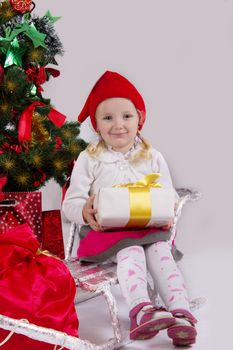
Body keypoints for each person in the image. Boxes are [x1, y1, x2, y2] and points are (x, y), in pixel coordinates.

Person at [62, 71, 197, 345]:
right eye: (107, 118)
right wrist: (84, 211)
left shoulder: (152, 156)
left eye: (127, 116)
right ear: (96, 124)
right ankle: (141, 311)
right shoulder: (91, 158)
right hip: (108, 235)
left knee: (161, 252)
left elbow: (167, 194)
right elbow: (71, 203)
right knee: (131, 251)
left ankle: (180, 312)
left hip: (147, 227)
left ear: (139, 119)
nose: (118, 125)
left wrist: (166, 208)